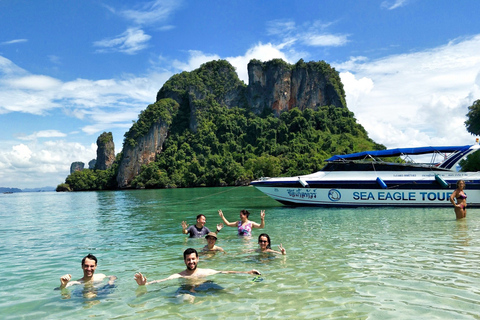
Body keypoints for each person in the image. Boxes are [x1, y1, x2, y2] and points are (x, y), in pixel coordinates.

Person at [134, 248, 260, 286]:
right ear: (184, 261)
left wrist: (247, 272)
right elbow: (163, 280)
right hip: (188, 289)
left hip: (205, 285)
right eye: (188, 260)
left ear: (197, 259)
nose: (191, 262)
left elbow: (225, 272)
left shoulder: (206, 272)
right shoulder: (179, 275)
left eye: (193, 259)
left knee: (227, 292)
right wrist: (145, 284)